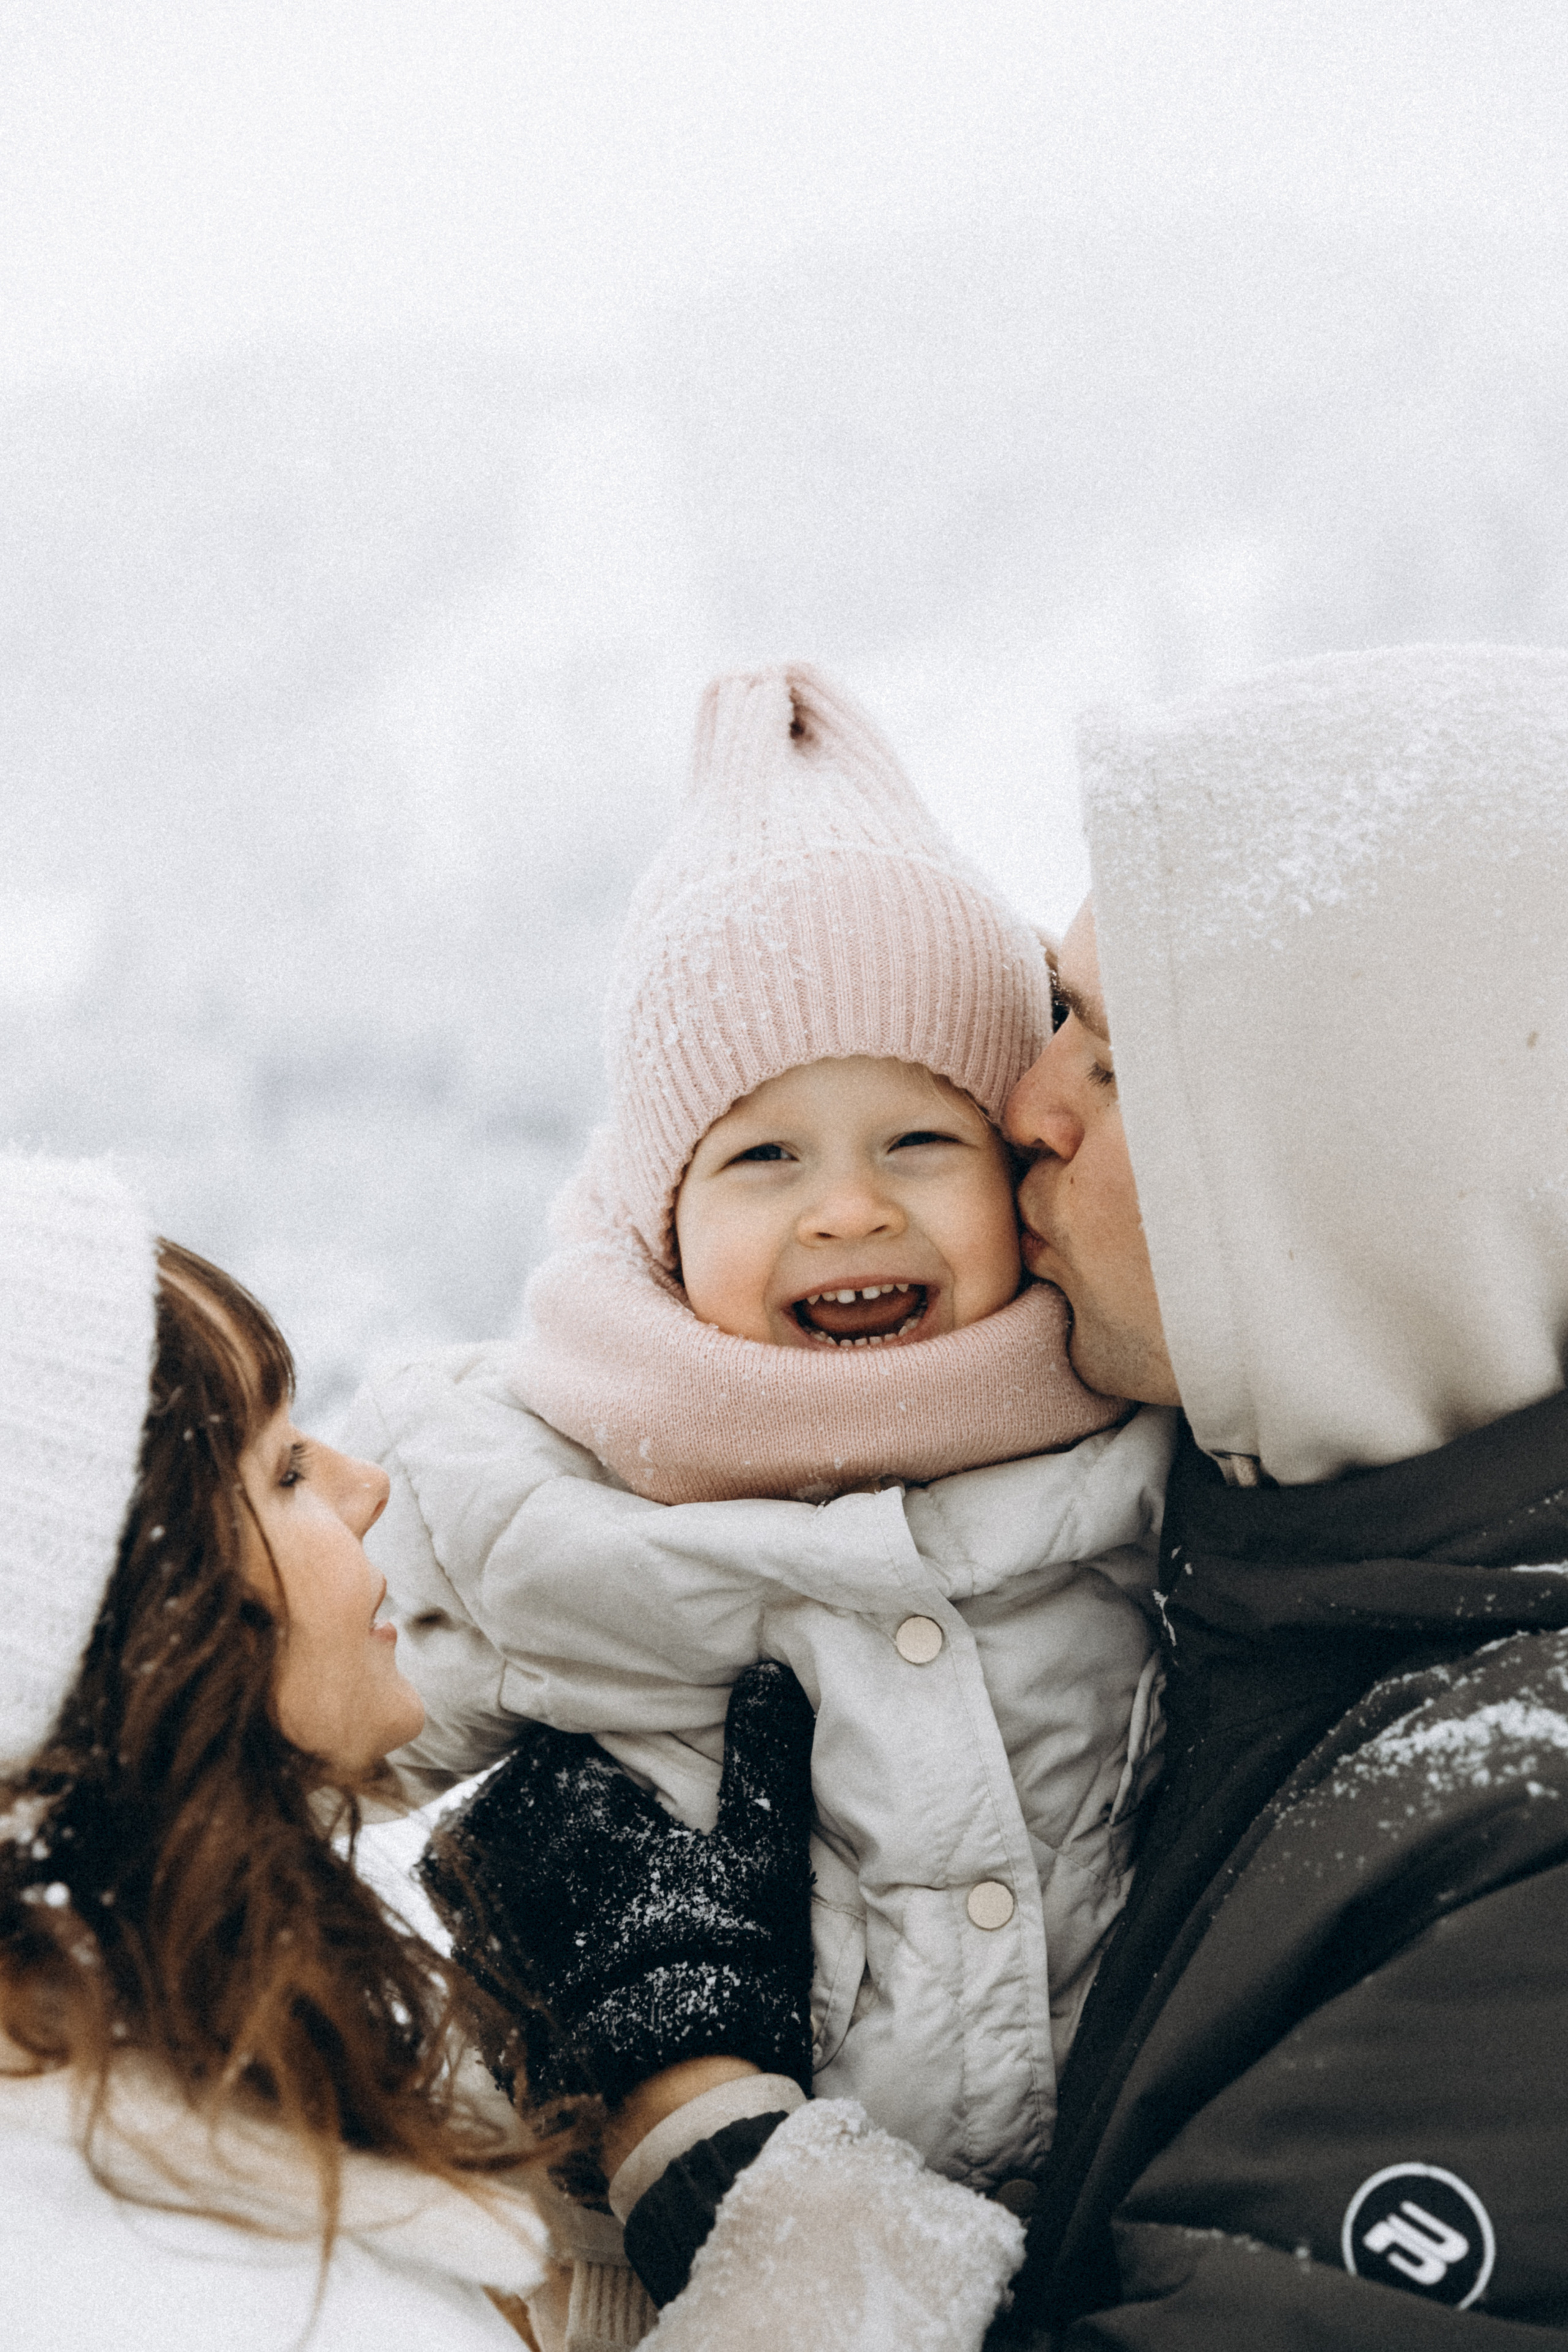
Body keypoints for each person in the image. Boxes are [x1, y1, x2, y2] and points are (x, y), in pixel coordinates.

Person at [460, 643, 1568, 2348]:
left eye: (1111, 1061)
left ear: (1342, 1157)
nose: (1019, 1106)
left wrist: (701, 2125)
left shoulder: (1519, 1848)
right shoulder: (1263, 1554)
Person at [345, 662, 1179, 2270]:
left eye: (919, 1141)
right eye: (765, 1156)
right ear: (664, 1216)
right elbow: (254, 1740)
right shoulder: (543, 1489)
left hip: (1118, 2249)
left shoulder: (1145, 1437)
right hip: (708, 2277)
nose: (849, 1208)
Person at [0, 1154, 555, 2348]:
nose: (366, 1486)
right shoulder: (220, 2294)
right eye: (286, 1469)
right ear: (150, 1620)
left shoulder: (142, 2111)